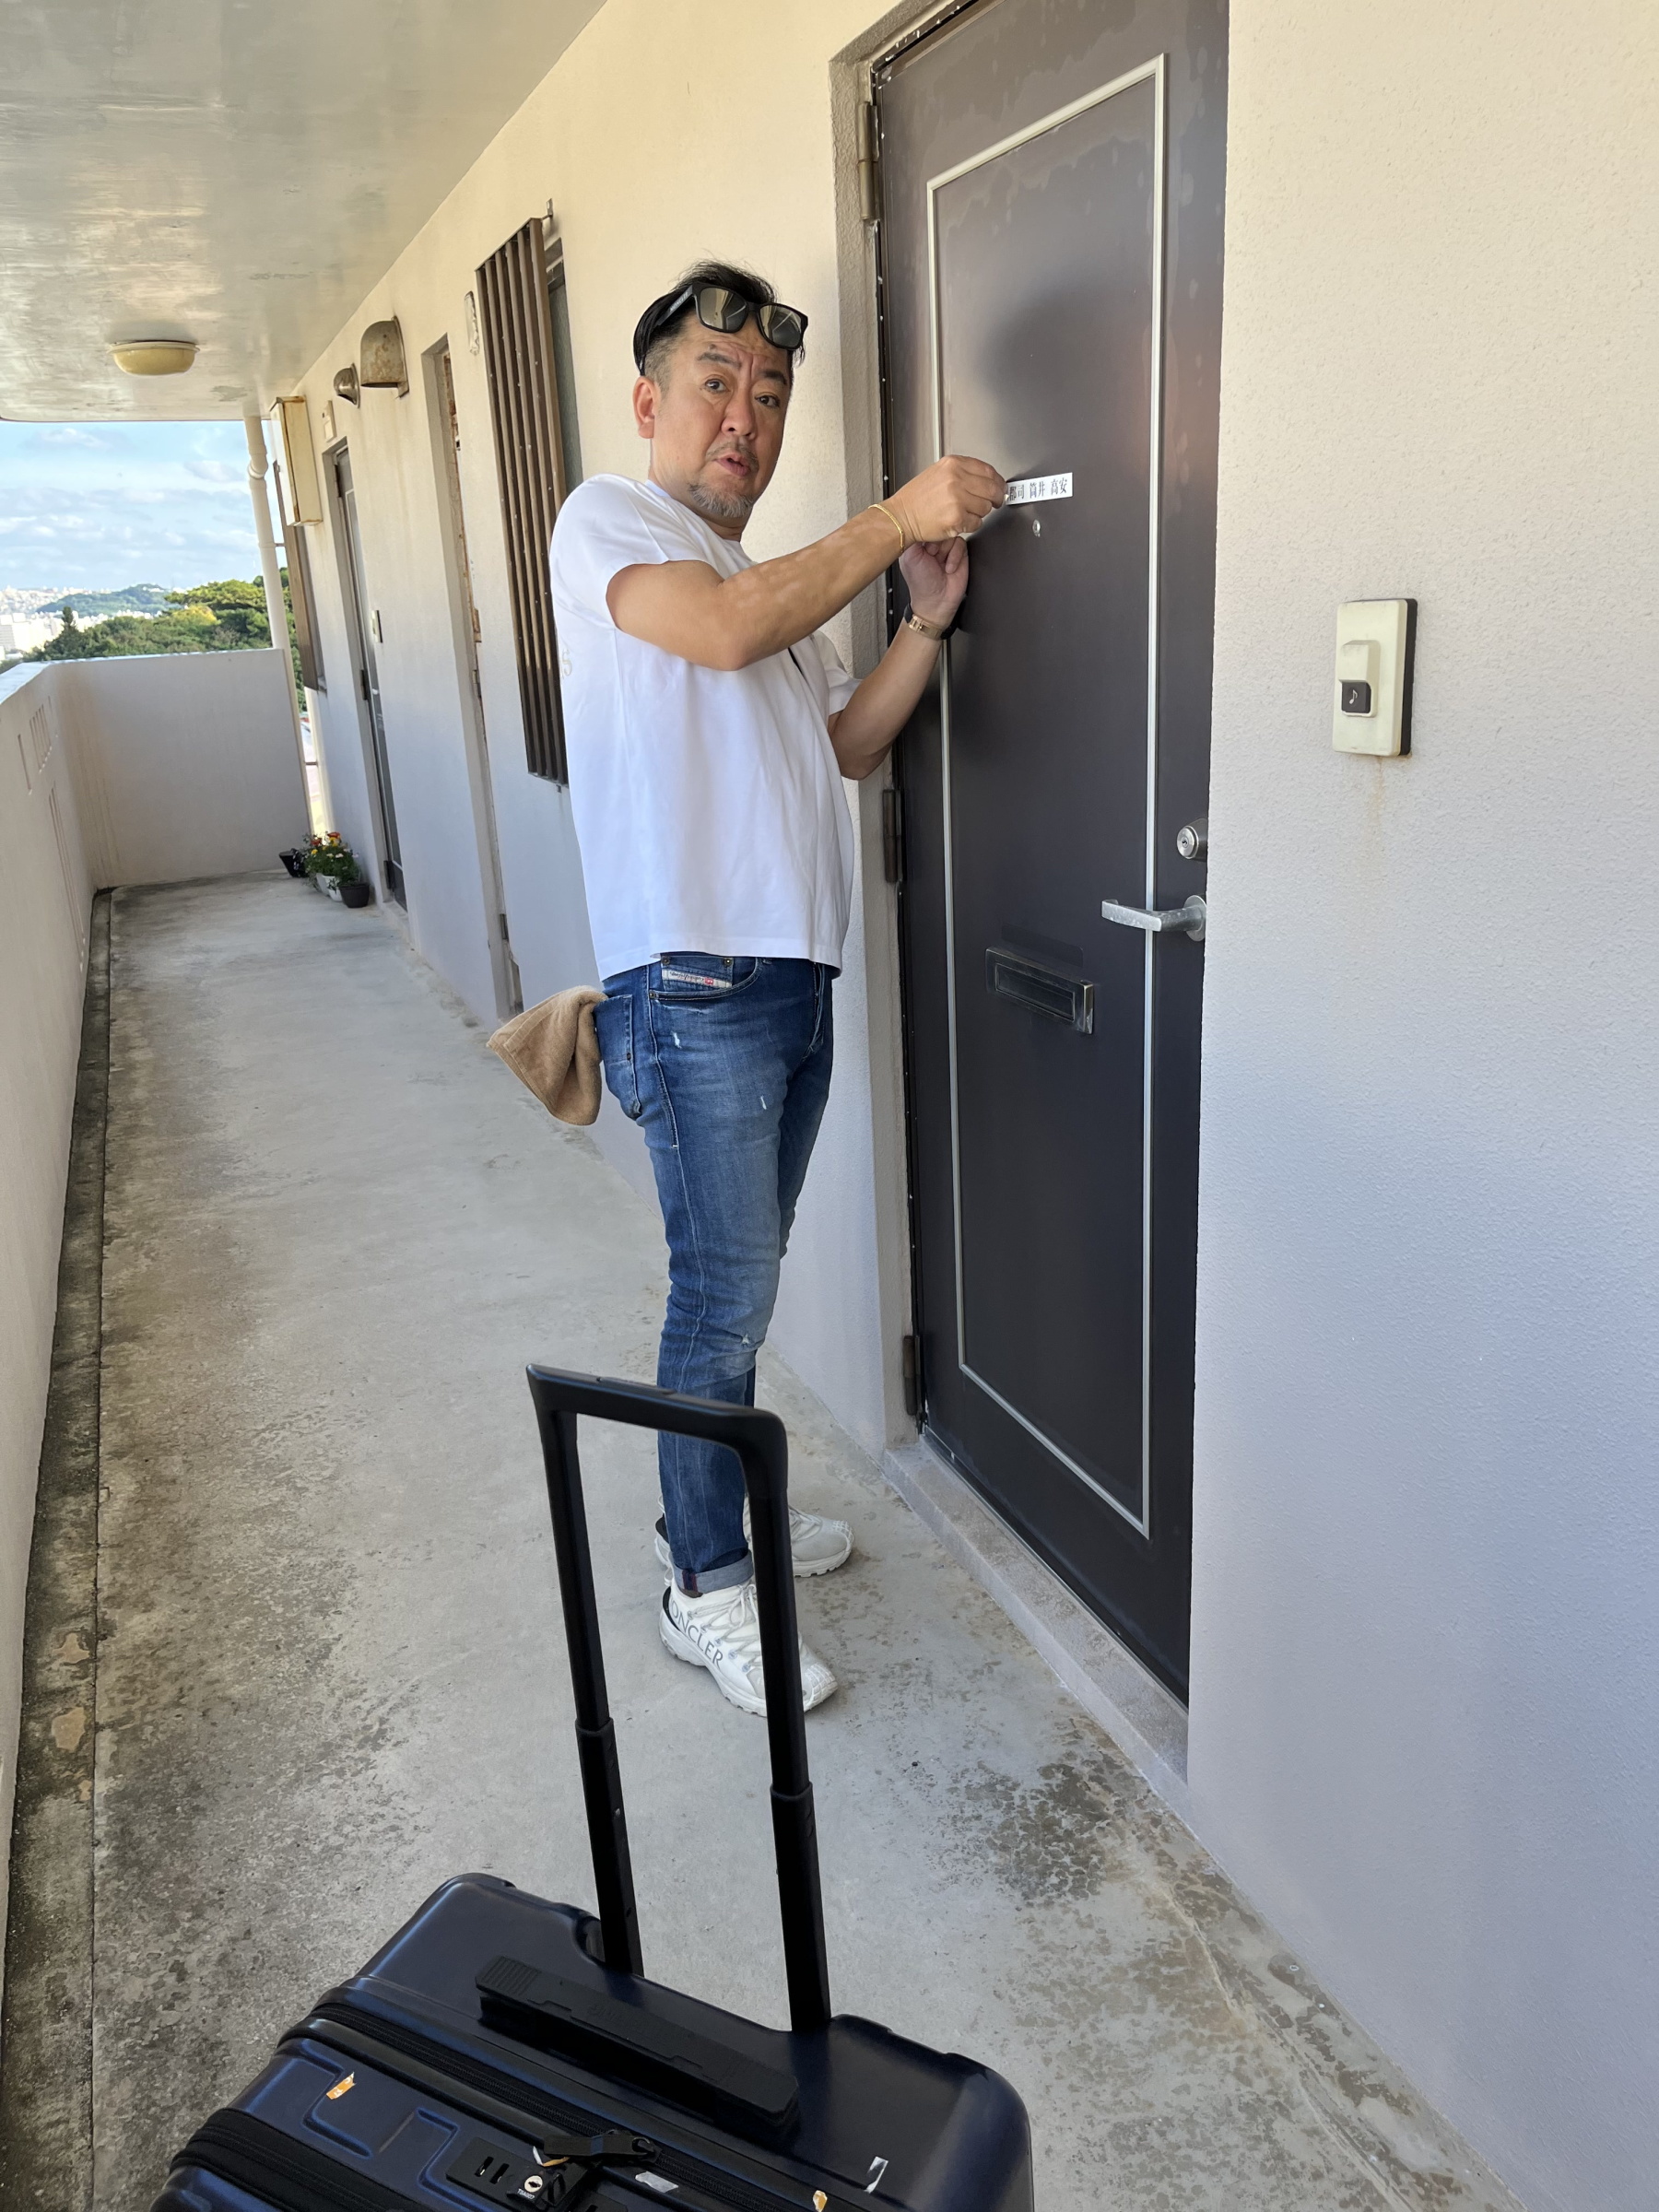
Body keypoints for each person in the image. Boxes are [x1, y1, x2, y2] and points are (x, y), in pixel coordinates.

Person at [549, 261, 1004, 1716]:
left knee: (737, 1293)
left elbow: (844, 745)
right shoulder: (613, 524)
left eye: (768, 392)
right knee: (721, 1299)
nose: (745, 415)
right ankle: (704, 1581)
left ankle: (716, 1516)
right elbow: (723, 631)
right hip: (694, 982)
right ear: (649, 406)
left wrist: (922, 620)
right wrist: (898, 518)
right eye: (715, 384)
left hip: (787, 980)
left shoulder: (768, 590)